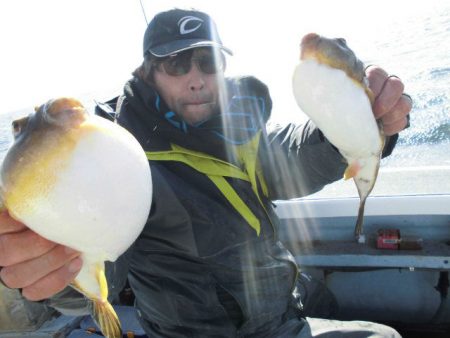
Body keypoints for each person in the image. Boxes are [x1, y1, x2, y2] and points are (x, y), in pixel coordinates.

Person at [0, 8, 411, 338]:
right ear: (148, 72)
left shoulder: (239, 128)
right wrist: (51, 266)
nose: (196, 78)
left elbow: (293, 156)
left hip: (282, 312)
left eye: (207, 60)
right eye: (176, 63)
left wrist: (355, 126)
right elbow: (100, 254)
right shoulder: (119, 158)